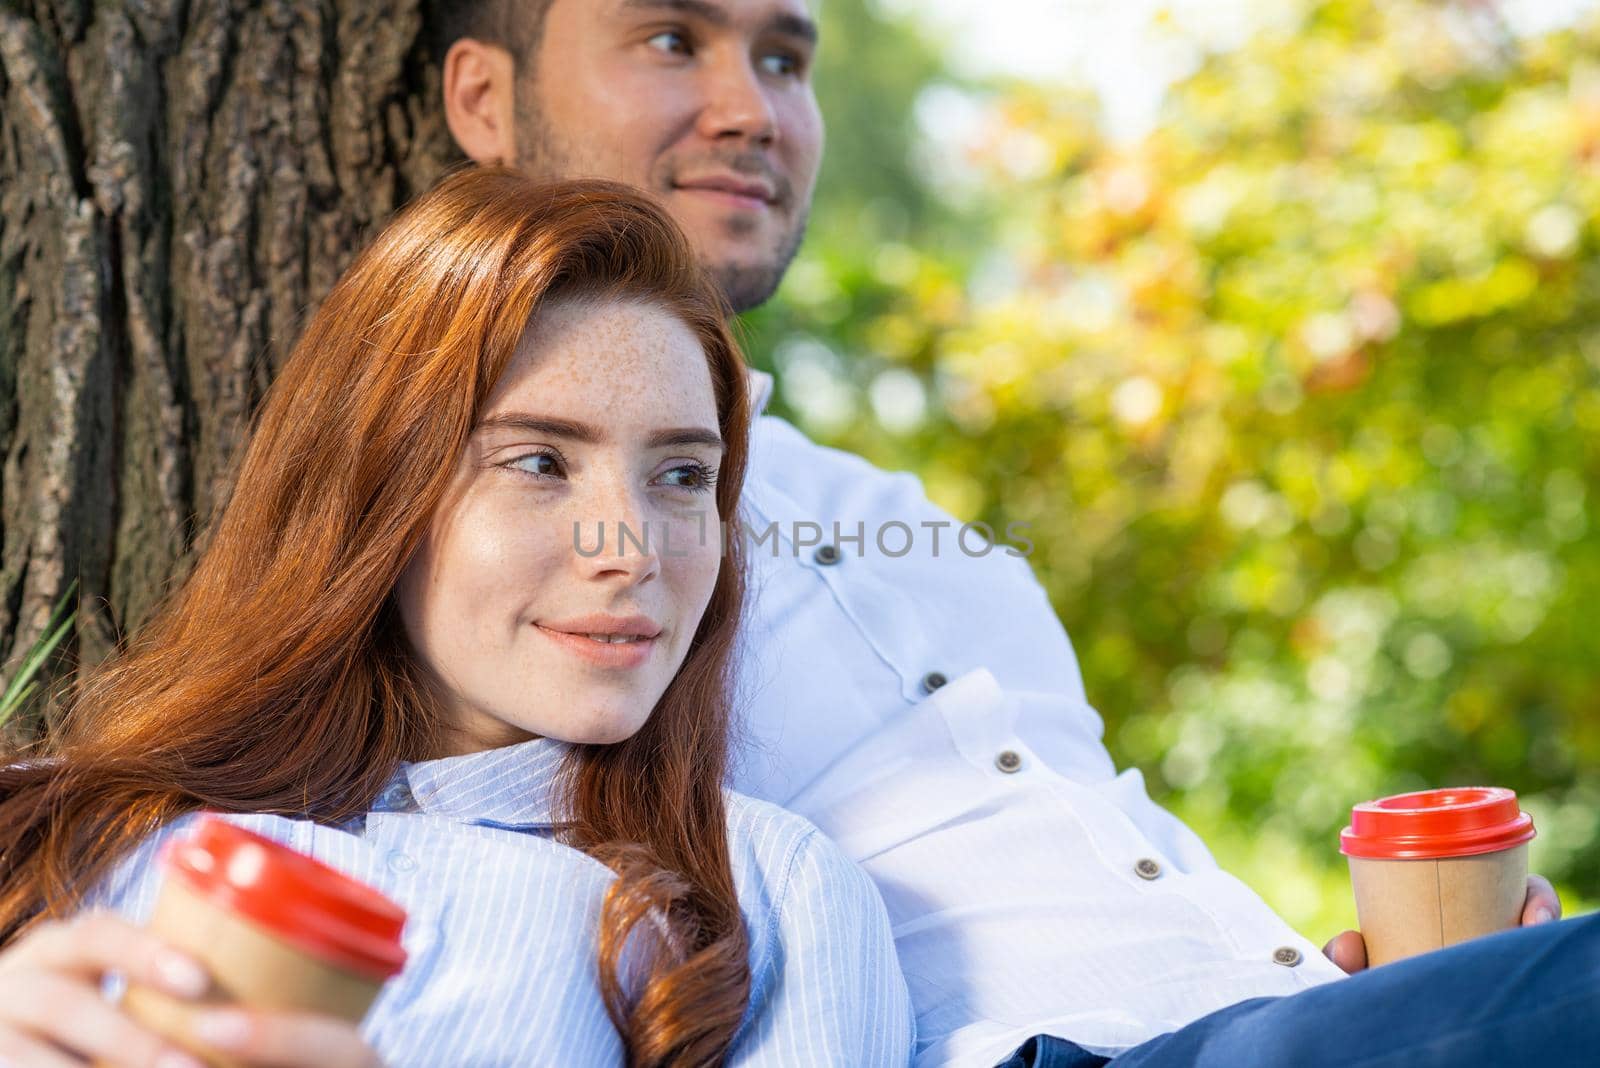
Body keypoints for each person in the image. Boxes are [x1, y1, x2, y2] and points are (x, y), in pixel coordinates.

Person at [428, 1, 1599, 1066]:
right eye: (673, 40)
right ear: (485, 98)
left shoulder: (912, 525)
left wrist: (1414, 984)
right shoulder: (468, 527)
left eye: (785, 59)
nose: (752, 112)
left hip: (1282, 1017)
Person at [0, 169, 913, 1067]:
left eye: (682, 477)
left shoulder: (769, 898)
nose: (631, 549)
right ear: (375, 485)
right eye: (539, 463)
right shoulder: (53, 827)